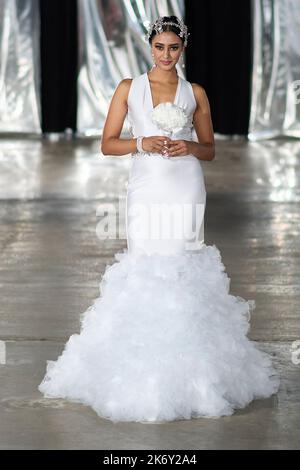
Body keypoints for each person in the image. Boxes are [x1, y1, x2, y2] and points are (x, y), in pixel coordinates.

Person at [38, 15, 280, 423]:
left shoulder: (195, 92)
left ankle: (193, 372)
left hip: (185, 185)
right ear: (149, 47)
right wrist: (142, 141)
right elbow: (107, 144)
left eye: (173, 47)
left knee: (183, 265)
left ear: (182, 48)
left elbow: (210, 149)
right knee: (147, 265)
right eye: (159, 47)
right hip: (148, 188)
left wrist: (187, 147)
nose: (166, 55)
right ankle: (140, 369)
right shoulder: (129, 89)